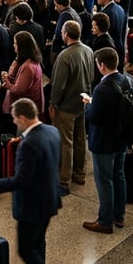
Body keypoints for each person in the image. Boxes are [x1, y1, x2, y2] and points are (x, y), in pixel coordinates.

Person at [0, 98, 72, 264]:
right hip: (49, 199)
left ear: (23, 118)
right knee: (38, 245)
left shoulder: (29, 144)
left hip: (32, 205)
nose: (14, 122)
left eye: (15, 119)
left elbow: (22, 180)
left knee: (26, 250)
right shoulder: (51, 131)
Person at [82, 47, 130, 234]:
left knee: (104, 180)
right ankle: (119, 214)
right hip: (120, 138)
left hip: (104, 141)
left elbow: (94, 118)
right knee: (119, 175)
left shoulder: (101, 89)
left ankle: (105, 221)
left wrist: (88, 105)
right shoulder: (124, 80)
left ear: (101, 65)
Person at [49, 20, 94, 195]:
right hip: (83, 101)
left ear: (66, 34)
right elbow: (91, 75)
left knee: (65, 142)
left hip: (66, 105)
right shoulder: (88, 50)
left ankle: (63, 179)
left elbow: (58, 84)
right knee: (80, 138)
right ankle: (79, 173)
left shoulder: (65, 56)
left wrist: (53, 103)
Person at [2, 31, 44, 119]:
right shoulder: (31, 61)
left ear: (22, 47)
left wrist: (7, 83)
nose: (14, 45)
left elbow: (19, 89)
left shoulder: (28, 66)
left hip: (25, 110)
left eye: (15, 43)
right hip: (28, 106)